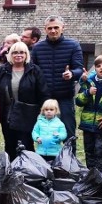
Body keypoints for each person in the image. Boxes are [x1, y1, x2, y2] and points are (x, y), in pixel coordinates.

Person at [30, 15, 84, 150]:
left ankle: (69, 163)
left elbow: (79, 69)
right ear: (45, 29)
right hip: (44, 98)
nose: (53, 31)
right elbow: (32, 70)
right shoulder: (37, 48)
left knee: (68, 132)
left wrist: (72, 74)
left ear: (62, 28)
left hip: (64, 96)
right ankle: (44, 161)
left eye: (56, 27)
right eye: (50, 28)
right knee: (42, 132)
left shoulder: (73, 45)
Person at [0, 42, 49, 158]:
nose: (18, 55)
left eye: (22, 52)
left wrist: (42, 113)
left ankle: (28, 170)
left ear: (26, 54)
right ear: (10, 55)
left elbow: (43, 93)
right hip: (7, 113)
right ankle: (12, 170)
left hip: (28, 113)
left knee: (26, 143)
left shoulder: (34, 71)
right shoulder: (2, 71)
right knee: (10, 143)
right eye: (15, 52)